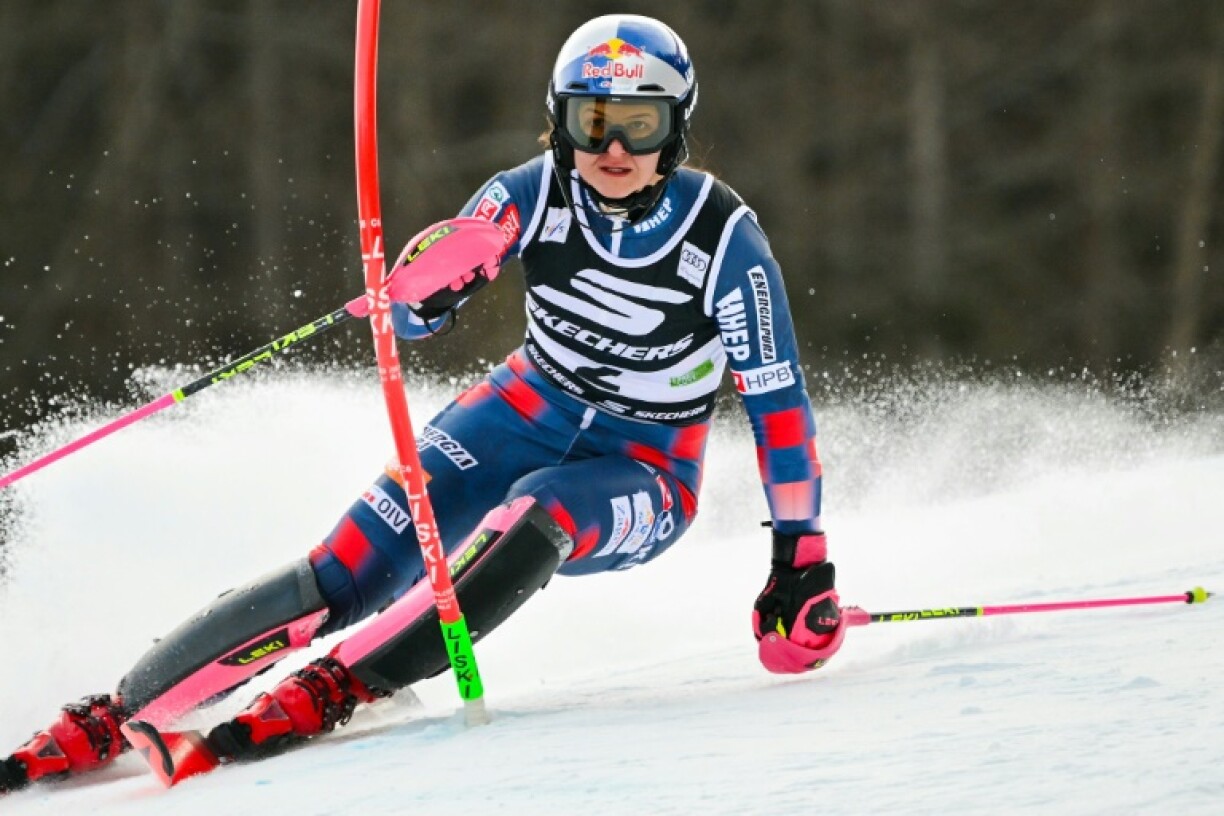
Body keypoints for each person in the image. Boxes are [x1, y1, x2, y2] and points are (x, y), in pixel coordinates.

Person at [0, 13, 844, 793]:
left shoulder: (725, 238)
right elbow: (419, 302)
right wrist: (428, 293)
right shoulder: (528, 191)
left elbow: (779, 408)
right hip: (518, 413)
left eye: (640, 123)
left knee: (533, 513)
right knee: (345, 570)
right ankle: (116, 711)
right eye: (592, 121)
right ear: (560, 121)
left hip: (646, 467)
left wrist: (799, 562)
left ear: (677, 129)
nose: (613, 147)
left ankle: (338, 686)